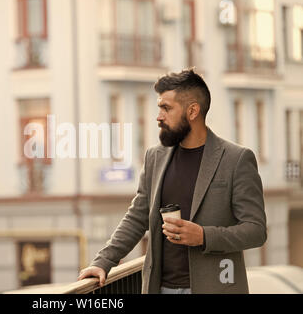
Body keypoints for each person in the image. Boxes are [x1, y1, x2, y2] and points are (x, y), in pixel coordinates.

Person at [77, 69, 267, 294]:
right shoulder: (155, 157)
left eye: (166, 108)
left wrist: (204, 237)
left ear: (192, 111)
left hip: (216, 287)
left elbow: (256, 230)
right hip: (161, 288)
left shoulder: (236, 159)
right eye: (159, 108)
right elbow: (137, 217)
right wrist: (102, 262)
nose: (158, 116)